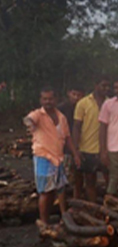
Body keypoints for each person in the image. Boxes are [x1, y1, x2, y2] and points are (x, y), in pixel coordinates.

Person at [24, 87, 81, 223]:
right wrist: (29, 125)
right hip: (43, 157)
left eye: (50, 99)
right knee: (45, 192)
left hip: (58, 157)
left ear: (55, 99)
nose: (48, 102)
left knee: (60, 189)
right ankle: (44, 223)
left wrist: (75, 155)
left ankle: (64, 217)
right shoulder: (38, 114)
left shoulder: (61, 117)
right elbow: (28, 119)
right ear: (41, 100)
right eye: (45, 99)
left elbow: (67, 138)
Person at [73, 77, 110, 202]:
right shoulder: (83, 103)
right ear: (96, 85)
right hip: (87, 149)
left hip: (106, 149)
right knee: (90, 182)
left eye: (107, 86)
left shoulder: (110, 103)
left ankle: (110, 207)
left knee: (110, 180)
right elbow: (77, 127)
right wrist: (76, 148)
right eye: (103, 85)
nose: (105, 89)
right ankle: (93, 208)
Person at [58, 85, 84, 198]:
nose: (76, 97)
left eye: (79, 95)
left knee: (78, 175)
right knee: (63, 175)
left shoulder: (84, 107)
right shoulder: (62, 108)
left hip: (81, 145)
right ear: (69, 93)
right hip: (64, 146)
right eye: (74, 94)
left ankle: (76, 198)